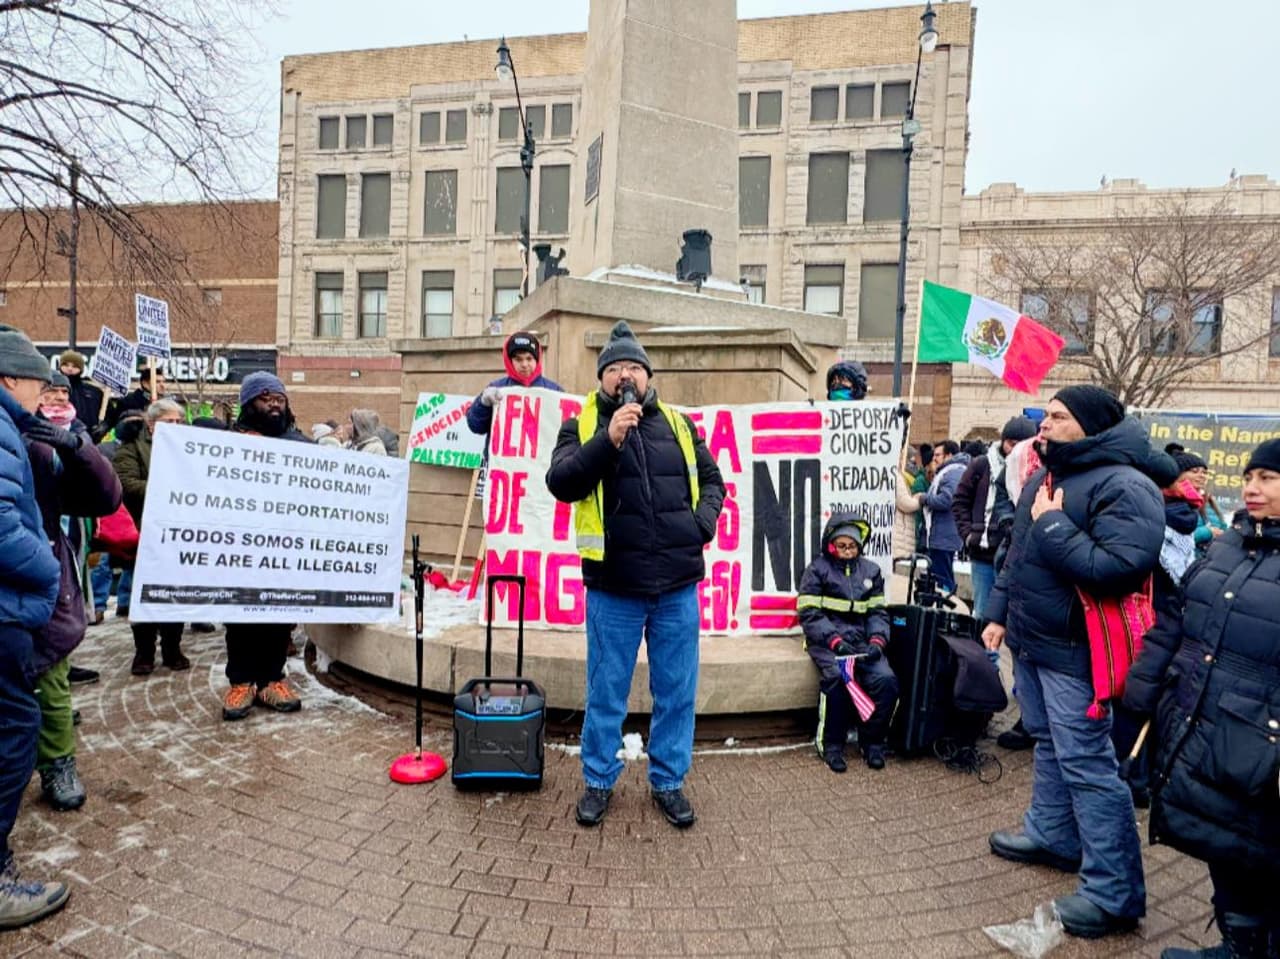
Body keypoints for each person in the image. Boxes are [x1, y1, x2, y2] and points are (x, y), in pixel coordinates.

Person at [982, 385, 1164, 940]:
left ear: (1091, 425)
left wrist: (1054, 526)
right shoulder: (1045, 476)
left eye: (1059, 418)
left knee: (1087, 764)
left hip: (1079, 655)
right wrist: (998, 612)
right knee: (1048, 745)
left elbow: (1119, 568)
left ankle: (1114, 892)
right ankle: (1053, 835)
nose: (1046, 425)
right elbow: (1017, 553)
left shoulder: (1127, 485)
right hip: (1033, 645)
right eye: (1046, 416)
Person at [546, 322, 725, 829]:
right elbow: (562, 482)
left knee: (677, 690)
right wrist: (609, 438)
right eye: (615, 369)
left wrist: (701, 525)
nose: (625, 375)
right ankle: (599, 781)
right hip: (613, 588)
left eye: (634, 368)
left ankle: (668, 781)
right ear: (603, 378)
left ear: (648, 376)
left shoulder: (678, 424)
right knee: (606, 692)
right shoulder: (581, 425)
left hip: (676, 587)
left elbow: (712, 481)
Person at [1125, 438, 1280, 959]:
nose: (1252, 489)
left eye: (1269, 479)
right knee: (1223, 843)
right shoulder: (1227, 544)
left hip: (1262, 744)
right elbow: (1175, 623)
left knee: (1263, 851)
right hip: (1202, 724)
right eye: (1249, 477)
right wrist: (1142, 693)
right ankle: (1240, 945)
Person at [24, 382, 122, 811]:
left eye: (60, 392)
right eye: (44, 389)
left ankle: (57, 764)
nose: (54, 399)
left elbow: (103, 496)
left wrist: (76, 448)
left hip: (39, 574)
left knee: (51, 679)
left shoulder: (47, 441)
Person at [0, 325, 69, 929]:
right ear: (7, 378)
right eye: (33, 380)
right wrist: (48, 565)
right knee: (15, 728)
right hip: (4, 611)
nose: (40, 391)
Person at [221, 371, 310, 721]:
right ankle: (241, 681)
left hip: (284, 545)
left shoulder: (301, 446)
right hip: (241, 545)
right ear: (248, 404)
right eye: (264, 397)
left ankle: (273, 678)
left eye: (279, 397)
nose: (274, 403)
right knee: (240, 615)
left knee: (277, 614)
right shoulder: (227, 445)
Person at [797, 514, 896, 772]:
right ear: (831, 545)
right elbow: (809, 613)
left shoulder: (871, 571)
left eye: (852, 545)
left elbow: (878, 613)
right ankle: (831, 746)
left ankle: (872, 743)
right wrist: (835, 641)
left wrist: (877, 641)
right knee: (838, 680)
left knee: (886, 680)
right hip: (829, 642)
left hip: (862, 642)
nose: (848, 551)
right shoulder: (817, 570)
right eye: (842, 546)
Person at [113, 399, 189, 675]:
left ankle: (172, 648)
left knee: (175, 595)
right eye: (170, 422)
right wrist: (168, 489)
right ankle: (144, 652)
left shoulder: (188, 449)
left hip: (179, 534)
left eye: (180, 422)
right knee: (143, 595)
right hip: (144, 532)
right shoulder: (132, 448)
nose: (176, 427)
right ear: (152, 424)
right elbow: (126, 483)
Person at [952, 417, 1038, 620]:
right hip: (984, 550)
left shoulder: (1035, 469)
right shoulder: (982, 465)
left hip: (1016, 552)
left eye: (1021, 445)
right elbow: (960, 501)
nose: (1014, 450)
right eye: (1011, 443)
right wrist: (968, 533)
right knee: (983, 611)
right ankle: (985, 652)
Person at [467, 330, 562, 439]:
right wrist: (483, 404)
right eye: (518, 359)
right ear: (510, 361)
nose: (524, 364)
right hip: (502, 456)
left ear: (537, 359)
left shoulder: (555, 391)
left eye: (529, 358)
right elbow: (475, 426)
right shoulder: (496, 389)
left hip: (543, 456)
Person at [916, 440, 970, 593]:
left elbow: (947, 500)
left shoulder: (953, 472)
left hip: (944, 537)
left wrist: (923, 498)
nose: (934, 458)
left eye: (938, 455)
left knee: (943, 578)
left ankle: (948, 607)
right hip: (942, 535)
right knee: (940, 576)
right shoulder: (952, 471)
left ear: (950, 455)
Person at [57, 350, 103, 438]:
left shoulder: (94, 392)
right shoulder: (51, 388)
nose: (70, 368)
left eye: (74, 366)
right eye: (66, 365)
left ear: (81, 369)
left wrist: (104, 426)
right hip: (59, 436)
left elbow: (109, 413)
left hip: (89, 437)